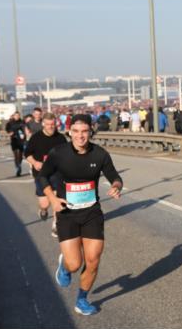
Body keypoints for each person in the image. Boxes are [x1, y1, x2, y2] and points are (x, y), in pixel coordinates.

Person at [40, 114, 123, 316]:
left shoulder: (100, 154)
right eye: (76, 131)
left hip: (91, 212)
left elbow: (115, 176)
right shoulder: (59, 153)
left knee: (93, 259)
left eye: (84, 131)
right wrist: (51, 198)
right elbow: (42, 176)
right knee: (75, 263)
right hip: (67, 213)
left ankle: (82, 299)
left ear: (90, 132)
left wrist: (116, 186)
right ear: (69, 132)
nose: (80, 136)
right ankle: (65, 267)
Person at [25, 112, 68, 237]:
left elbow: (66, 155)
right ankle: (43, 210)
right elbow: (27, 154)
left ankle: (56, 225)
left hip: (57, 174)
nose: (50, 127)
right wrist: (35, 162)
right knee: (45, 203)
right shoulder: (36, 138)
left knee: (56, 198)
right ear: (43, 124)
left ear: (56, 124)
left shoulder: (60, 138)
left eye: (52, 124)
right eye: (48, 124)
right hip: (41, 174)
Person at [5, 112, 28, 176]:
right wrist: (9, 132)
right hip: (14, 139)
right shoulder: (10, 123)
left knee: (20, 154)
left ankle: (19, 165)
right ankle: (17, 167)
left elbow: (25, 129)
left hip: (21, 140)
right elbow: (7, 129)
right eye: (16, 115)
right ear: (14, 116)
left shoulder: (22, 122)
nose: (17, 116)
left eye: (18, 115)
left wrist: (24, 134)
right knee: (16, 154)